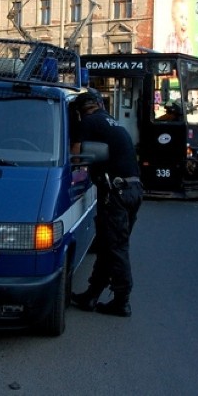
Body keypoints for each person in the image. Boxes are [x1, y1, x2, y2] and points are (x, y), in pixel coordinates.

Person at [70, 90, 142, 317]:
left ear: (81, 111)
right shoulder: (111, 121)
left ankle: (122, 302)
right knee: (107, 245)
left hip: (116, 193)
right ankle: (92, 295)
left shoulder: (88, 122)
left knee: (116, 248)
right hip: (132, 190)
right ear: (99, 104)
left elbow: (75, 158)